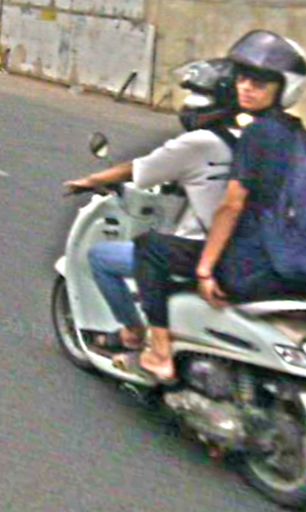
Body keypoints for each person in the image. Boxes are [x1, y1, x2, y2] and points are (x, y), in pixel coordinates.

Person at [63, 59, 240, 380]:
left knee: (102, 257)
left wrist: (91, 180)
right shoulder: (241, 141)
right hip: (242, 250)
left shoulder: (199, 143)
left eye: (197, 96)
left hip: (203, 251)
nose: (189, 104)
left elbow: (139, 169)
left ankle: (136, 335)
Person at [196, 30, 306, 308]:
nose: (246, 88)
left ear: (282, 90)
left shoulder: (256, 134)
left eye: (259, 83)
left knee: (153, 251)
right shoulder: (296, 132)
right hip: (302, 274)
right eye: (242, 78)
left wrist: (205, 270)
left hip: (248, 271)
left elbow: (232, 206)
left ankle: (153, 337)